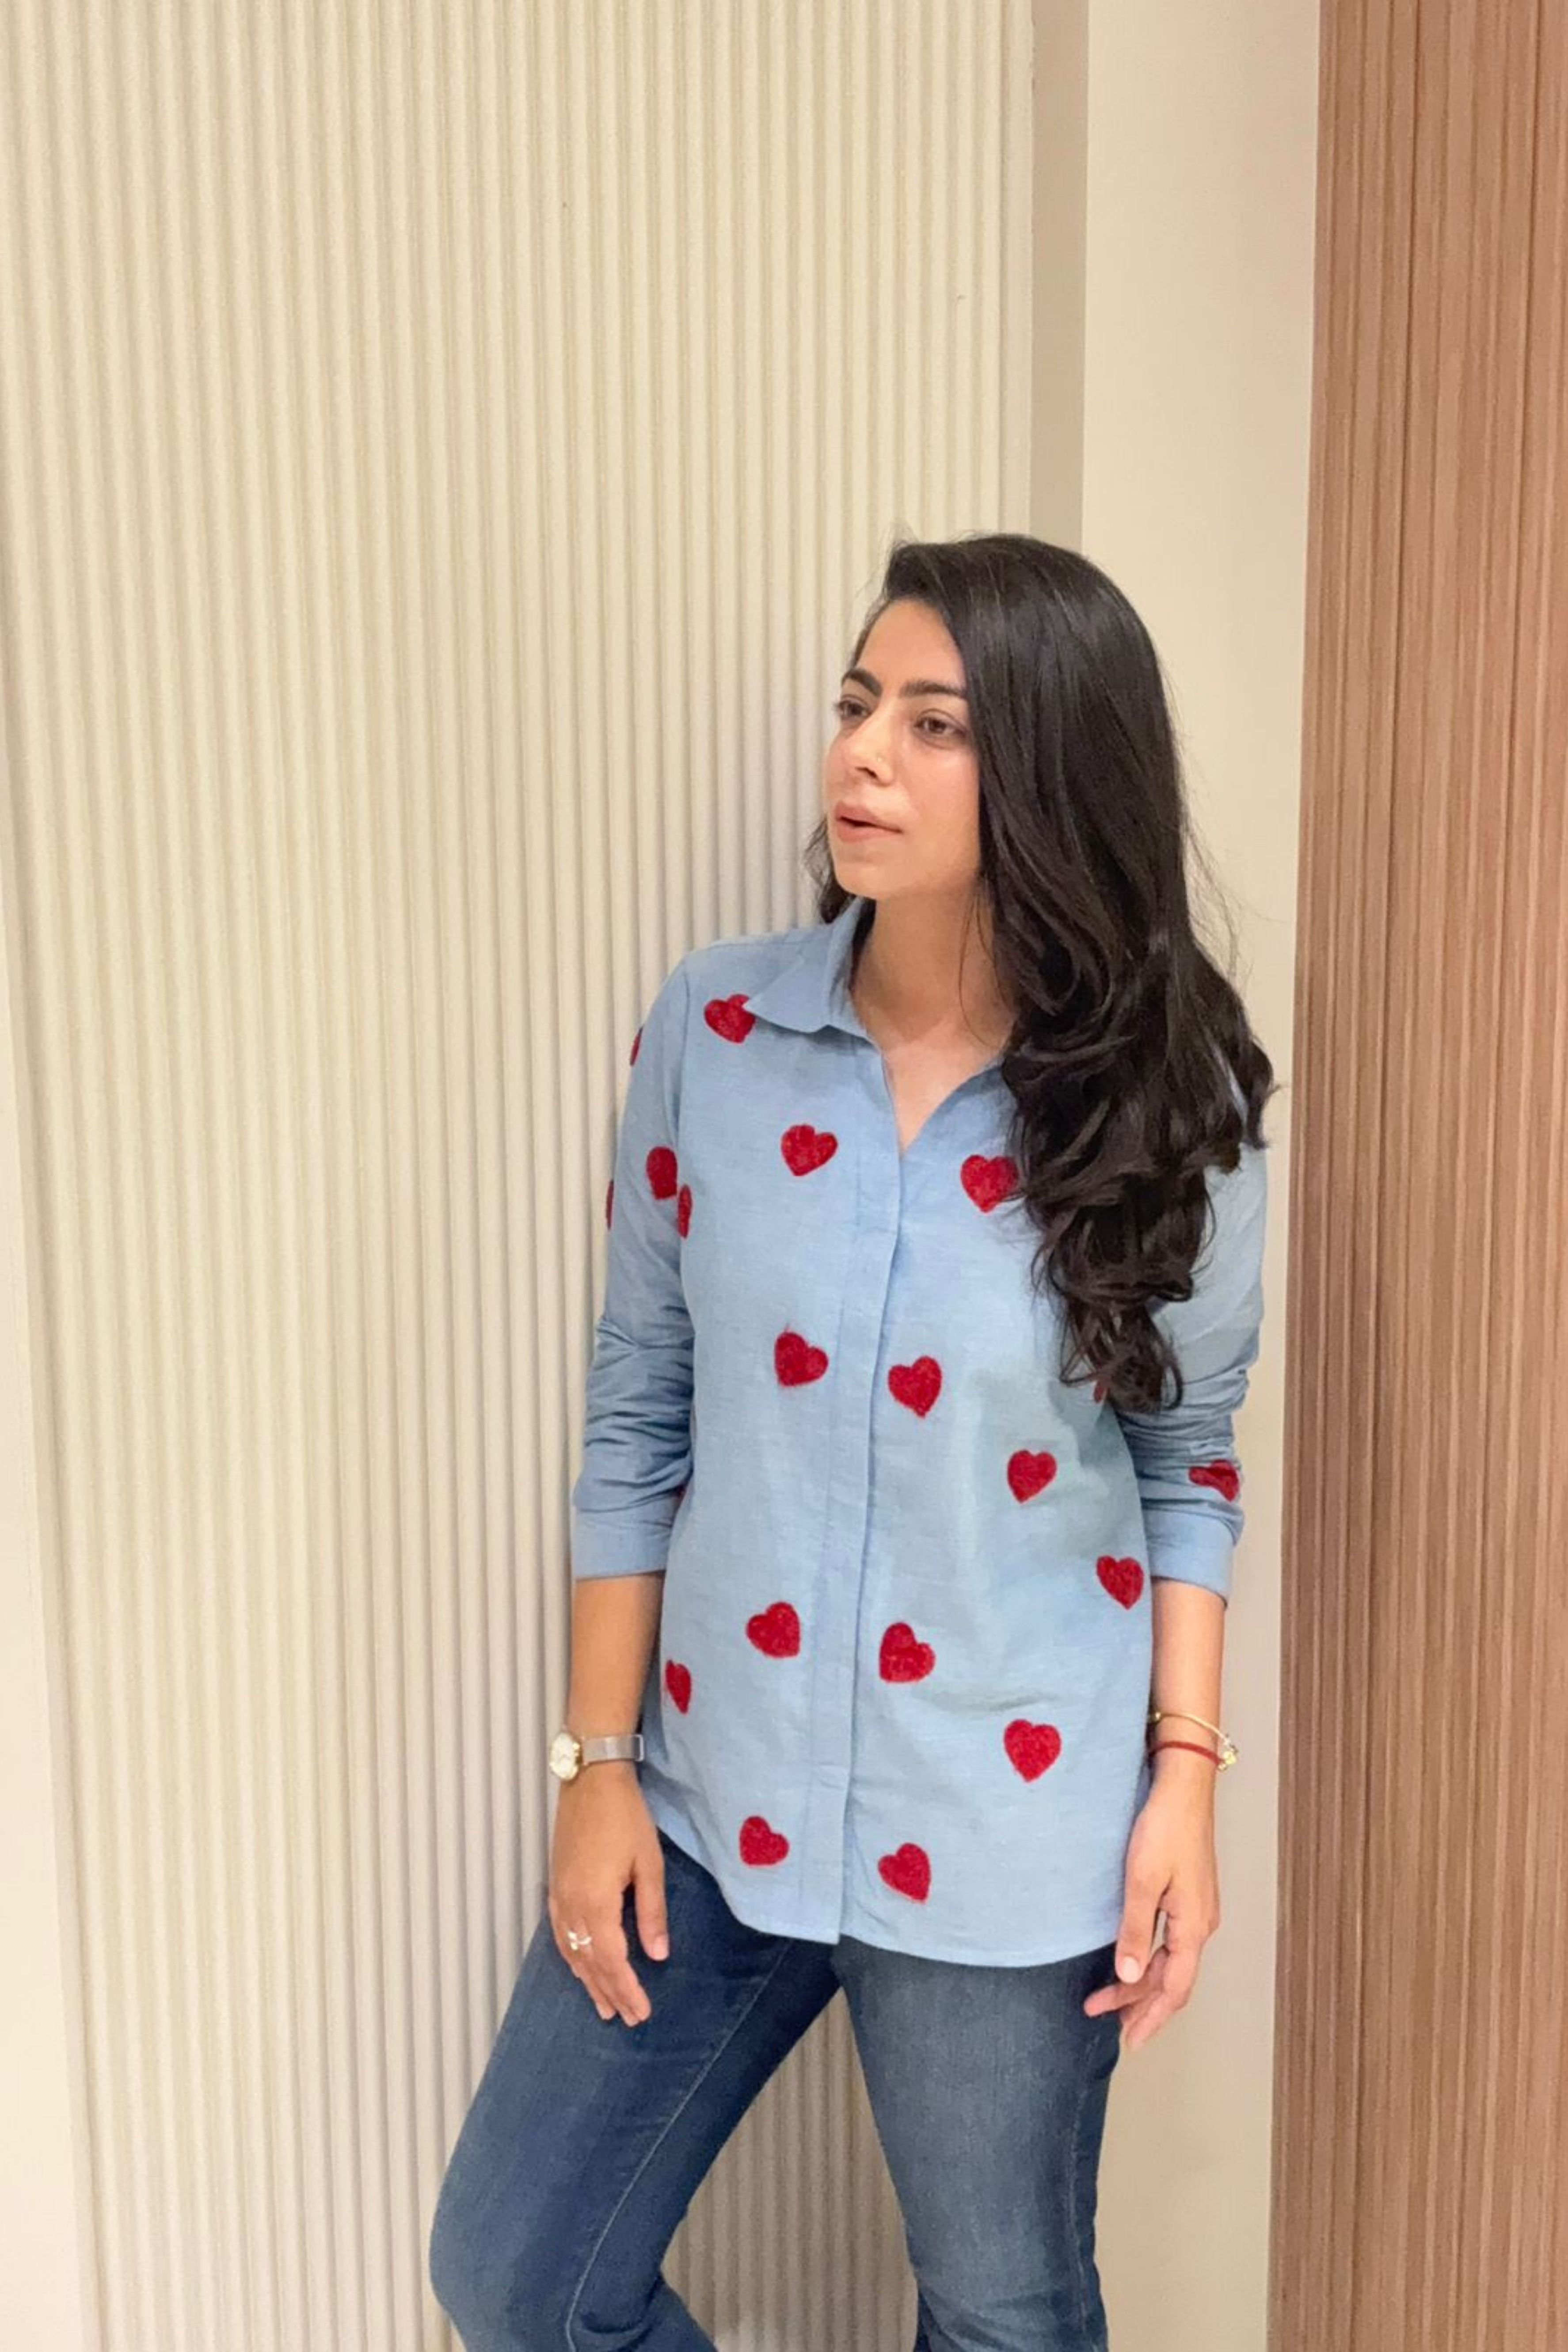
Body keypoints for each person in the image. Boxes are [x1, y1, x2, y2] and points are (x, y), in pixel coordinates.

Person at [428, 533, 1275, 2351]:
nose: (862, 754)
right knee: (517, 2268)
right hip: (709, 1790)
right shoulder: (717, 1031)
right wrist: (595, 1765)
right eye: (855, 703)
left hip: (1003, 1820)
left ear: (1051, 767)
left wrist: (1183, 1784)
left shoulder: (1168, 1098)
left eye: (932, 722)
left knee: (1002, 2312)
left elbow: (1185, 1457)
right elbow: (639, 1402)